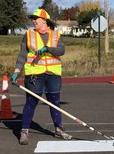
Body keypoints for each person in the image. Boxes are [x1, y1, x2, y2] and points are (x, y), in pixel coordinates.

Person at [11, 9, 72, 145]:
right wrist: (16, 71)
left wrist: (47, 48)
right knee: (31, 103)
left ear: (44, 20)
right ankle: (24, 131)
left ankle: (59, 128)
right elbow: (22, 54)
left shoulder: (56, 34)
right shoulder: (29, 34)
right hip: (34, 75)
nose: (33, 21)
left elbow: (61, 50)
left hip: (53, 74)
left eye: (36, 18)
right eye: (32, 19)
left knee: (55, 102)